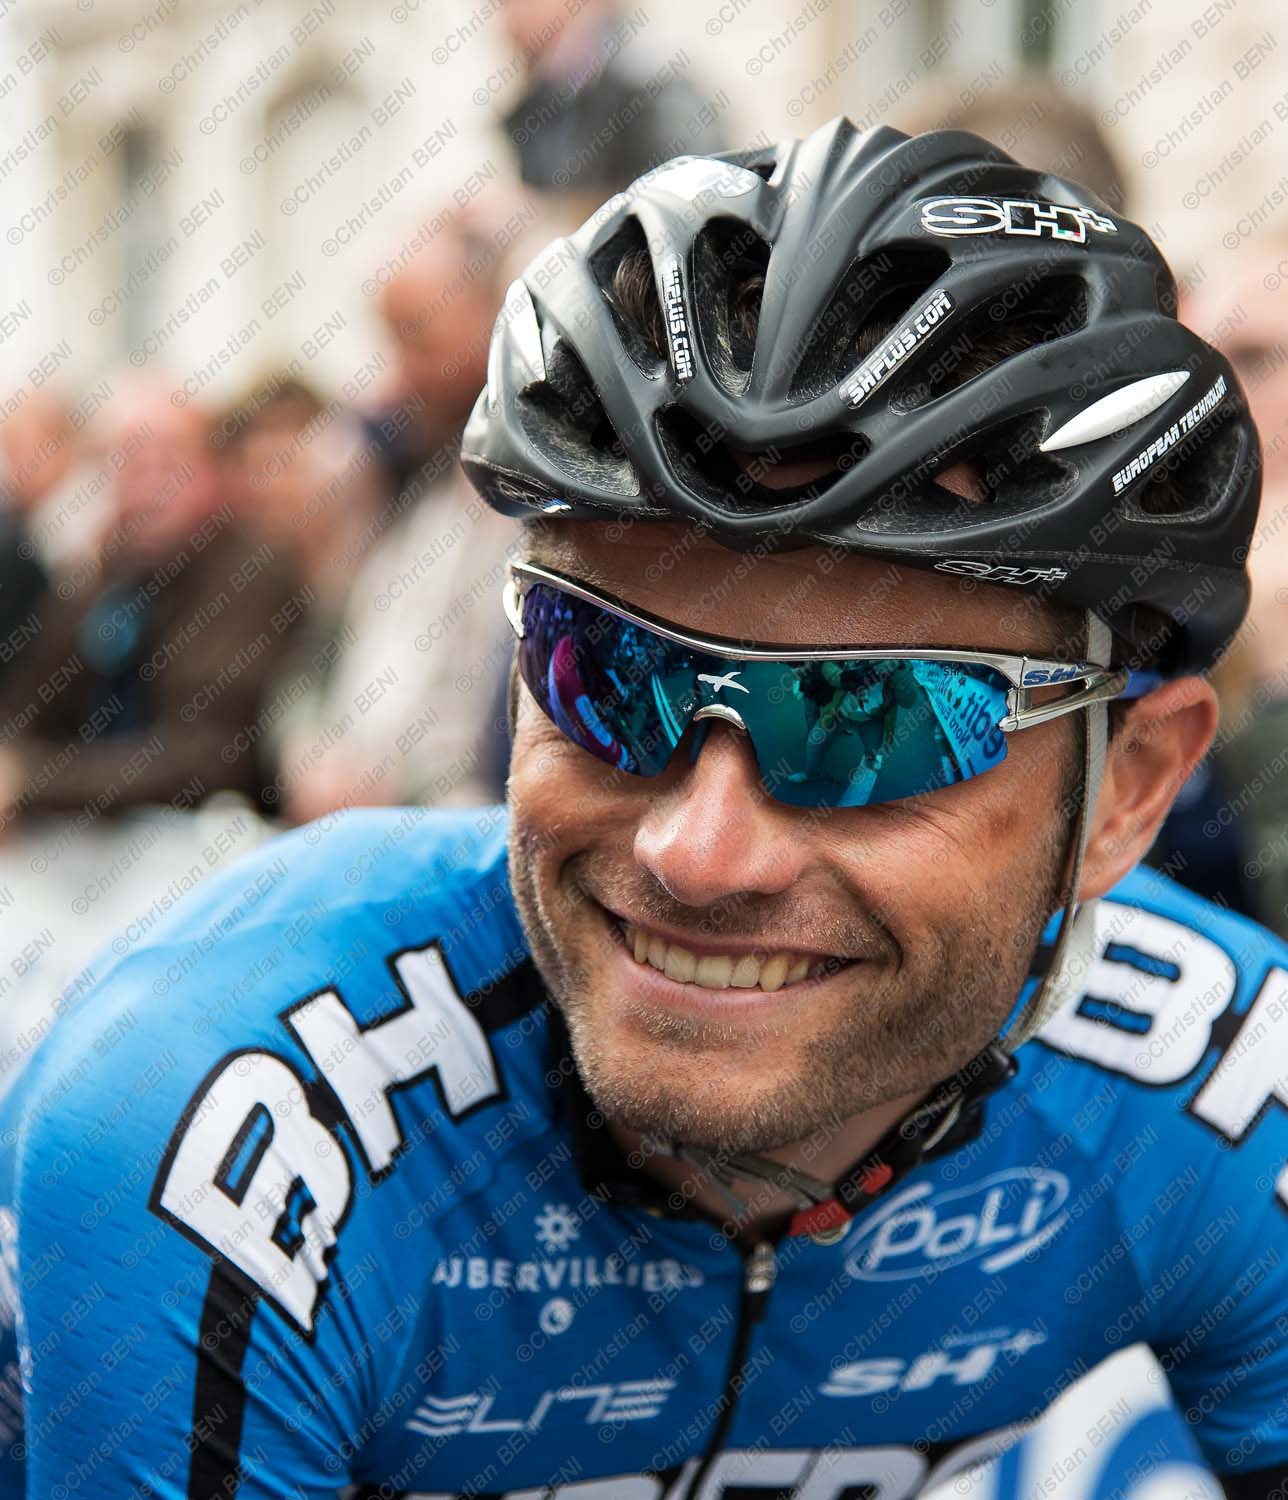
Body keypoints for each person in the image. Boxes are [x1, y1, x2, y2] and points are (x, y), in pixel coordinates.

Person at [0, 122, 1283, 1500]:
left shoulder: (1225, 1097)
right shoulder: (239, 1115)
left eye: (876, 721)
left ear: (1128, 792)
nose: (697, 850)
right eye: (604, 672)